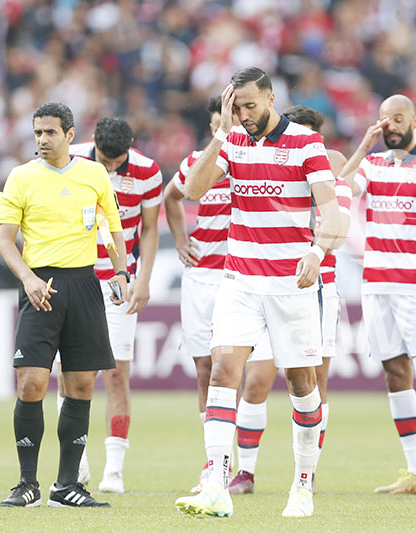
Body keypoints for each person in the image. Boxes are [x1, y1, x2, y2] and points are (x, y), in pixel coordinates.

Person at [173, 67, 344, 518]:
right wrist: (221, 135)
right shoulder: (232, 141)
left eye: (251, 105)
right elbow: (192, 190)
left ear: (270, 99)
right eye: (237, 106)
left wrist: (316, 251)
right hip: (240, 280)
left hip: (292, 285)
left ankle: (303, 485)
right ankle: (216, 483)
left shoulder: (307, 143)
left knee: (303, 386)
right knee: (223, 371)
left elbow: (333, 215)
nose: (245, 114)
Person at [0, 101, 129, 508]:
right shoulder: (20, 177)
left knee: (82, 385)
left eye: (50, 132)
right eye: (37, 132)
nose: (42, 140)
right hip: (41, 286)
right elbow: (5, 241)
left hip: (84, 284)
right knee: (31, 383)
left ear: (70, 135)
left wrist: (121, 272)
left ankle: (67, 485)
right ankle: (27, 484)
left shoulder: (94, 175)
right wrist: (29, 278)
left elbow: (113, 227)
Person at [230, 104, 352, 494]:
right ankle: (245, 472)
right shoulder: (268, 165)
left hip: (318, 290)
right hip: (266, 283)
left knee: (313, 382)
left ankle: (307, 473)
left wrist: (315, 253)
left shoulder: (329, 176)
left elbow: (340, 226)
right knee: (257, 380)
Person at [338, 94, 416, 496]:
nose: (391, 125)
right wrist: (362, 146)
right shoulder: (372, 163)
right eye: (385, 119)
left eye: (399, 118)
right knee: (394, 374)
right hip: (376, 286)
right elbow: (341, 191)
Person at [65, 117, 162, 494]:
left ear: (129, 149)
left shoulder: (147, 170)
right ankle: (78, 459)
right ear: (93, 146)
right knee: (73, 372)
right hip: (75, 277)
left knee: (116, 373)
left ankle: (115, 472)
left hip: (120, 281)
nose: (108, 169)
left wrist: (143, 278)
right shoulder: (71, 159)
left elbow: (150, 229)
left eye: (116, 163)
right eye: (103, 160)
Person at [163, 96, 245, 494]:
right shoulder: (197, 162)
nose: (223, 131)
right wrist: (181, 241)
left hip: (241, 279)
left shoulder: (251, 161)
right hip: (200, 279)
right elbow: (171, 197)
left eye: (228, 123)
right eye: (217, 125)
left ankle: (234, 463)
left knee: (232, 371)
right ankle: (213, 462)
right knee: (204, 372)